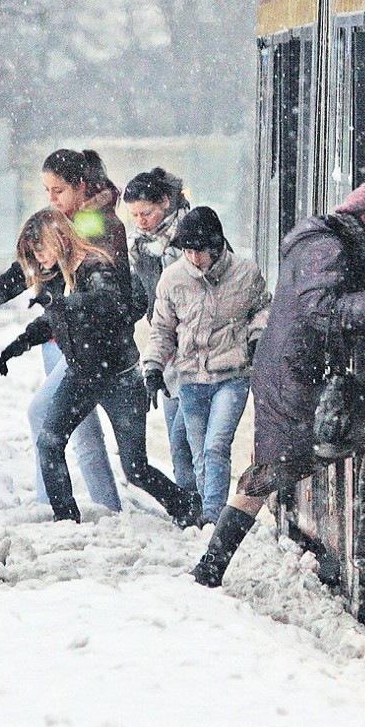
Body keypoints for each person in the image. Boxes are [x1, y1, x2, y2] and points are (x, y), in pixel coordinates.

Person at [189, 182, 365, 587]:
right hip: (293, 375)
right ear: (364, 219)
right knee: (272, 470)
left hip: (291, 370)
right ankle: (210, 568)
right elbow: (319, 307)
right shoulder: (326, 246)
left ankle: (212, 565)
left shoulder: (322, 241)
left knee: (276, 468)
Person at [0, 149, 144, 513]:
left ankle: (61, 505)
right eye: (47, 191)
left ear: (80, 188)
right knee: (79, 430)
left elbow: (110, 297)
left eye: (58, 191)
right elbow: (24, 270)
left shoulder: (94, 227)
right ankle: (100, 507)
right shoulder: (64, 221)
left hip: (93, 349)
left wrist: (72, 310)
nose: (50, 200)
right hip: (60, 339)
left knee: (47, 419)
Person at [0, 208, 201, 527]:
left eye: (41, 249)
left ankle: (188, 506)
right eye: (33, 254)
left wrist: (66, 306)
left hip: (120, 377)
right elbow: (54, 320)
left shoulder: (98, 265)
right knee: (50, 442)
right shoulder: (53, 276)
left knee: (136, 470)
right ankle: (65, 518)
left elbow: (106, 302)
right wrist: (20, 343)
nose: (38, 258)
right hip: (81, 376)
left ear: (57, 240)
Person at [143, 206, 271, 526]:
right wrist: (154, 367)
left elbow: (263, 310)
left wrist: (256, 339)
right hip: (190, 377)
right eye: (186, 250)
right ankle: (204, 507)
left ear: (216, 246)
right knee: (199, 451)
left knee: (216, 446)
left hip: (233, 374)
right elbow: (162, 329)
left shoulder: (246, 273)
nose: (193, 257)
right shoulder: (172, 279)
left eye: (198, 250)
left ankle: (214, 517)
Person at [122, 168, 196, 493]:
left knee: (190, 437)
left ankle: (205, 506)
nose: (141, 221)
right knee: (177, 441)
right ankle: (191, 507)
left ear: (165, 202)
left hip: (199, 348)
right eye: (135, 214)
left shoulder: (195, 234)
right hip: (166, 352)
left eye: (147, 212)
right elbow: (140, 297)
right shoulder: (140, 248)